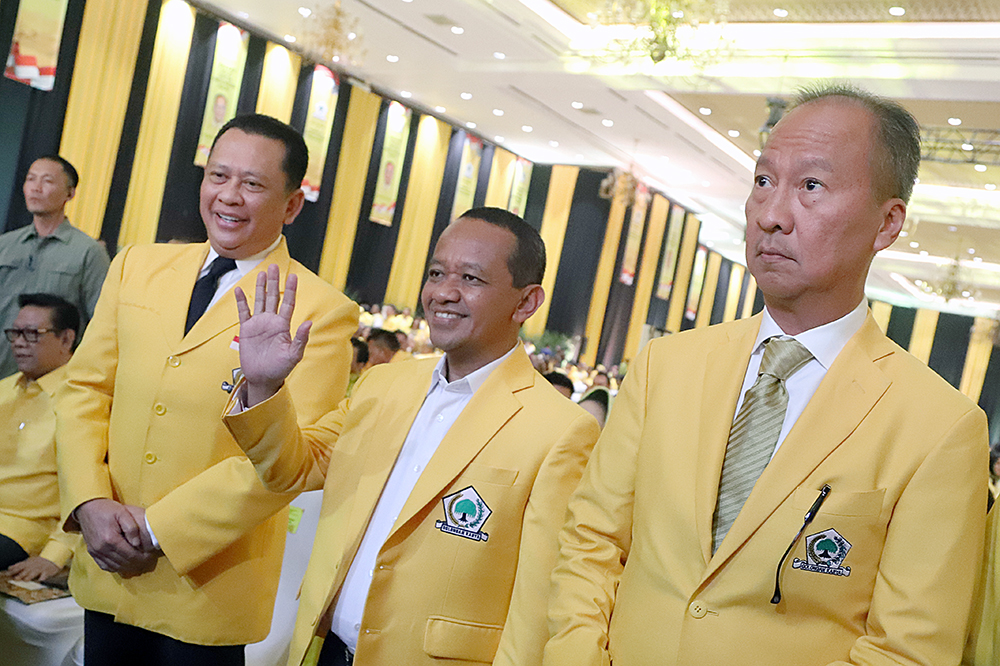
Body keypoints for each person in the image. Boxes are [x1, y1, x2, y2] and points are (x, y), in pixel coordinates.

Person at [544, 84, 990, 666]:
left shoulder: (939, 428)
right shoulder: (666, 366)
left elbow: (905, 650)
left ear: (887, 224)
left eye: (811, 186)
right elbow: (592, 544)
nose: (772, 216)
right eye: (762, 181)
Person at [224, 207, 600, 666]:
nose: (444, 292)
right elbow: (291, 470)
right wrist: (264, 386)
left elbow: (536, 603)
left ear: (526, 303)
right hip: (324, 650)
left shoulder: (560, 430)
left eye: (471, 279)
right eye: (437, 272)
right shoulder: (385, 385)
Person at [55, 114, 358, 666]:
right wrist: (90, 500)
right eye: (219, 176)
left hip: (208, 587)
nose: (230, 196)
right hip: (106, 564)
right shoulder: (137, 266)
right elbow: (85, 391)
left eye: (253, 184)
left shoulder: (321, 311)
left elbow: (291, 462)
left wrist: (155, 528)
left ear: (291, 206)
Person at [0, 155, 110, 378]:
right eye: (31, 179)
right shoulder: (5, 245)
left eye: (47, 181)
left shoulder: (88, 252)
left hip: (52, 380)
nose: (36, 188)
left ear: (70, 193)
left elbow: (102, 323)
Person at [0, 294, 81, 580]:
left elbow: (90, 487)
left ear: (66, 339)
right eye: (15, 333)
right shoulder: (5, 390)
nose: (19, 342)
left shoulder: (81, 398)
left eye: (32, 334)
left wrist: (54, 556)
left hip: (22, 529)